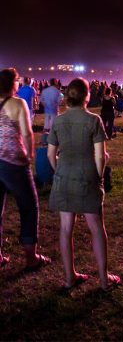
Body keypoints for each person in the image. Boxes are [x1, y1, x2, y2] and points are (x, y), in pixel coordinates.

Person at [47, 78, 119, 291]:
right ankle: (104, 280)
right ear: (87, 96)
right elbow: (100, 156)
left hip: (64, 177)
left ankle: (70, 278)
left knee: (66, 229)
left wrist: (58, 169)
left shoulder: (58, 121)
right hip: (87, 177)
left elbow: (51, 154)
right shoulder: (94, 120)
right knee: (96, 227)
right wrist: (99, 177)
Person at [0, 68, 51, 270]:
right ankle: (31, 257)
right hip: (13, 162)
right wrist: (29, 156)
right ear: (12, 84)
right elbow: (28, 134)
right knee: (29, 206)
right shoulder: (18, 103)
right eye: (17, 81)